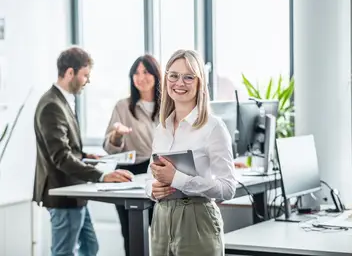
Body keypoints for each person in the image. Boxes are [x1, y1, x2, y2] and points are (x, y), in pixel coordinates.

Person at [32, 46, 133, 256]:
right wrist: (103, 176)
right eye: (85, 75)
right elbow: (60, 156)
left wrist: (87, 156)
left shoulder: (62, 101)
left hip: (75, 193)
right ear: (70, 73)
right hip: (63, 194)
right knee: (64, 252)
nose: (88, 81)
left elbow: (65, 146)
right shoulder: (52, 105)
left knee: (90, 247)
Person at [145, 49, 237, 256]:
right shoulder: (161, 128)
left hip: (197, 219)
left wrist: (177, 178)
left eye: (188, 77)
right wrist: (152, 189)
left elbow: (228, 188)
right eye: (174, 76)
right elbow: (149, 177)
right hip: (160, 218)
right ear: (166, 79)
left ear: (199, 83)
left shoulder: (213, 127)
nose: (179, 83)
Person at [103, 54, 162, 256]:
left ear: (156, 75)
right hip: (129, 174)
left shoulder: (168, 106)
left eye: (145, 71)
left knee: (162, 235)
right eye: (136, 73)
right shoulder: (123, 106)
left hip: (159, 174)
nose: (140, 77)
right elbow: (109, 149)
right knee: (132, 236)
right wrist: (117, 135)